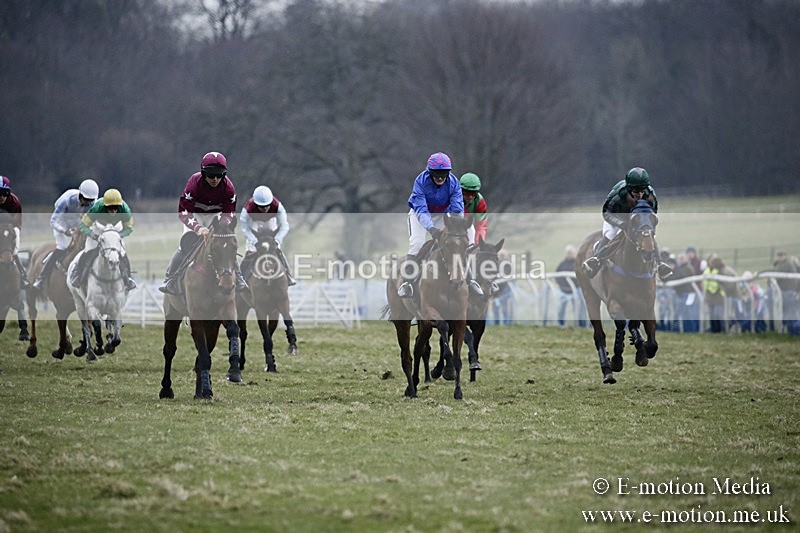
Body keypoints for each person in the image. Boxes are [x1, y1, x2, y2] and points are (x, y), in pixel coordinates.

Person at [159, 151, 248, 295]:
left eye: (219, 175)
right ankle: (171, 279)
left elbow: (229, 214)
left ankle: (240, 278)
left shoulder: (229, 188)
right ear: (203, 173)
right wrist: (199, 229)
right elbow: (184, 212)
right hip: (195, 214)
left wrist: (220, 228)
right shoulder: (194, 183)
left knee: (225, 247)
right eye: (211, 175)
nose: (215, 179)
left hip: (216, 216)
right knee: (185, 245)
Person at [397, 152, 481, 298]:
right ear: (430, 172)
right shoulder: (420, 181)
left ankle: (471, 279)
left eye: (444, 173)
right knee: (417, 244)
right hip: (420, 215)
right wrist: (431, 228)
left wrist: (455, 226)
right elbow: (421, 209)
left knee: (457, 243)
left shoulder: (453, 183)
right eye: (436, 173)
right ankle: (407, 282)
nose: (440, 177)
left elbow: (457, 208)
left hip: (443, 214)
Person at [581, 167, 673, 281]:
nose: (639, 194)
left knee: (649, 235)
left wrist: (647, 227)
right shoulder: (618, 194)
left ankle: (659, 265)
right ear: (629, 188)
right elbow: (606, 212)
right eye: (635, 191)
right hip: (616, 217)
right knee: (610, 234)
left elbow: (653, 214)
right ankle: (596, 260)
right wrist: (621, 224)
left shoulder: (650, 194)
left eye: (641, 191)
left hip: (637, 220)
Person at [32, 178, 100, 291]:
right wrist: (65, 231)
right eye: (87, 200)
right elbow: (53, 221)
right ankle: (41, 278)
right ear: (81, 195)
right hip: (61, 221)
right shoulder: (68, 200)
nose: (89, 203)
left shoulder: (93, 203)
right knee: (62, 247)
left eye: (91, 200)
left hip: (77, 221)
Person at [70, 188, 136, 291]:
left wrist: (117, 235)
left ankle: (128, 279)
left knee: (122, 253)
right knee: (88, 250)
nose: (113, 211)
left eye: (116, 208)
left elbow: (129, 228)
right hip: (98, 229)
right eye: (110, 208)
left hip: (115, 231)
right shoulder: (97, 207)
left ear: (120, 206)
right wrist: (93, 236)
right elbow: (83, 225)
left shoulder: (125, 210)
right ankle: (77, 275)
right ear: (104, 206)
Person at [240, 185, 296, 286]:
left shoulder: (278, 206)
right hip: (254, 226)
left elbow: (284, 226)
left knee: (277, 251)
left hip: (271, 226)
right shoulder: (247, 209)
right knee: (250, 252)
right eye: (261, 207)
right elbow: (245, 229)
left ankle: (288, 275)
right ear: (256, 204)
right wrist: (254, 241)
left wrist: (277, 240)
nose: (265, 208)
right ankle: (240, 279)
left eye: (267, 205)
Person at [0, 176, 28, 288]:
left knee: (12, 249)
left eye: (4, 193)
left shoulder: (14, 202)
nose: (1, 196)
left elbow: (17, 222)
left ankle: (22, 276)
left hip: (10, 228)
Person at [555, 245, 586, 327]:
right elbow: (557, 275)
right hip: (564, 290)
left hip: (577, 289)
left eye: (571, 252)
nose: (569, 254)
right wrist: (562, 285)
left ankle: (582, 324)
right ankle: (560, 324)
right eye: (568, 252)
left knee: (580, 307)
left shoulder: (578, 263)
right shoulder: (562, 264)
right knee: (561, 308)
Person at [772, 250, 799, 333]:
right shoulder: (780, 264)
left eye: (782, 255)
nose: (780, 257)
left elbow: (776, 274)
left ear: (785, 255)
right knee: (786, 312)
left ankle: (793, 331)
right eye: (779, 255)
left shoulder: (787, 264)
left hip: (789, 291)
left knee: (790, 312)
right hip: (784, 292)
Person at [459, 172, 488, 248]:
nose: (471, 197)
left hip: (466, 226)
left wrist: (478, 244)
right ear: (461, 190)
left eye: (474, 193)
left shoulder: (480, 202)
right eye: (467, 193)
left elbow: (481, 226)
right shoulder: (453, 197)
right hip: (450, 225)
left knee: (471, 229)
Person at [703, 255, 726, 333]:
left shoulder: (720, 270)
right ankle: (713, 330)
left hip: (718, 294)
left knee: (718, 314)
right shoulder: (707, 270)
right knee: (712, 314)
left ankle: (721, 329)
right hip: (709, 295)